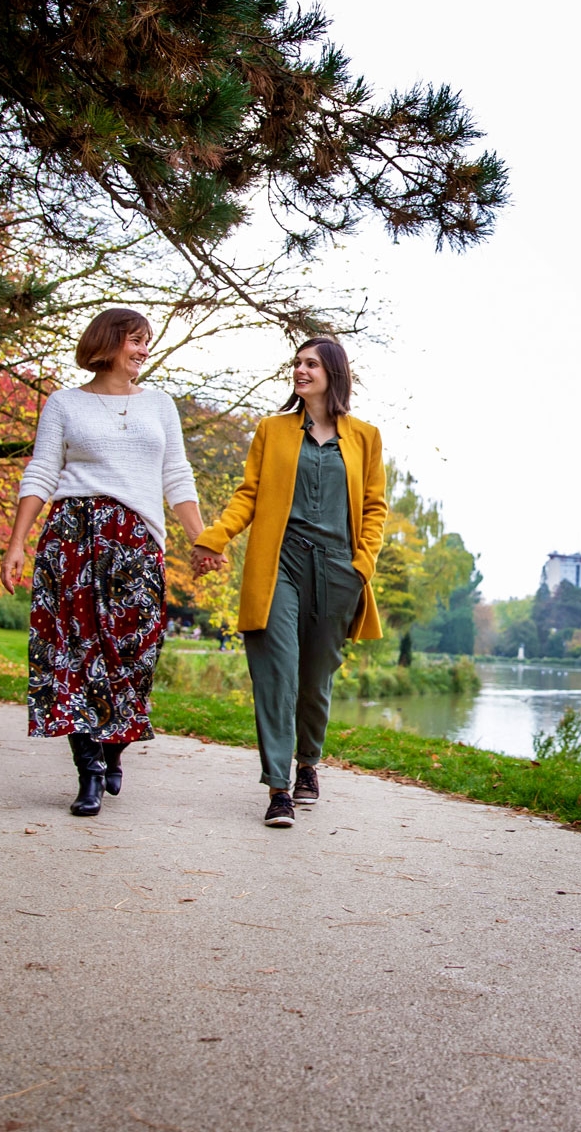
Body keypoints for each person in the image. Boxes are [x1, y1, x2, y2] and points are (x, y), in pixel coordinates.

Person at [0, 308, 204, 816]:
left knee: (137, 653)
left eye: (146, 342)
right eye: (135, 340)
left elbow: (176, 474)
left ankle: (114, 745)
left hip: (136, 543)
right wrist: (16, 542)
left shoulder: (160, 405)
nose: (143, 350)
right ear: (108, 343)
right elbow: (43, 470)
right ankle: (88, 770)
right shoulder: (65, 403)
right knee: (72, 653)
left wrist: (203, 539)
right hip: (72, 538)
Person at [193, 337, 386, 827]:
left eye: (310, 364)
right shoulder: (272, 430)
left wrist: (361, 564)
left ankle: (308, 765)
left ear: (333, 373)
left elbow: (375, 508)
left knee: (315, 682)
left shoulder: (365, 437)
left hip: (339, 570)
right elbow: (248, 495)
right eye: (297, 363)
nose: (299, 370)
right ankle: (278, 788)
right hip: (280, 564)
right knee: (277, 673)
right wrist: (214, 537)